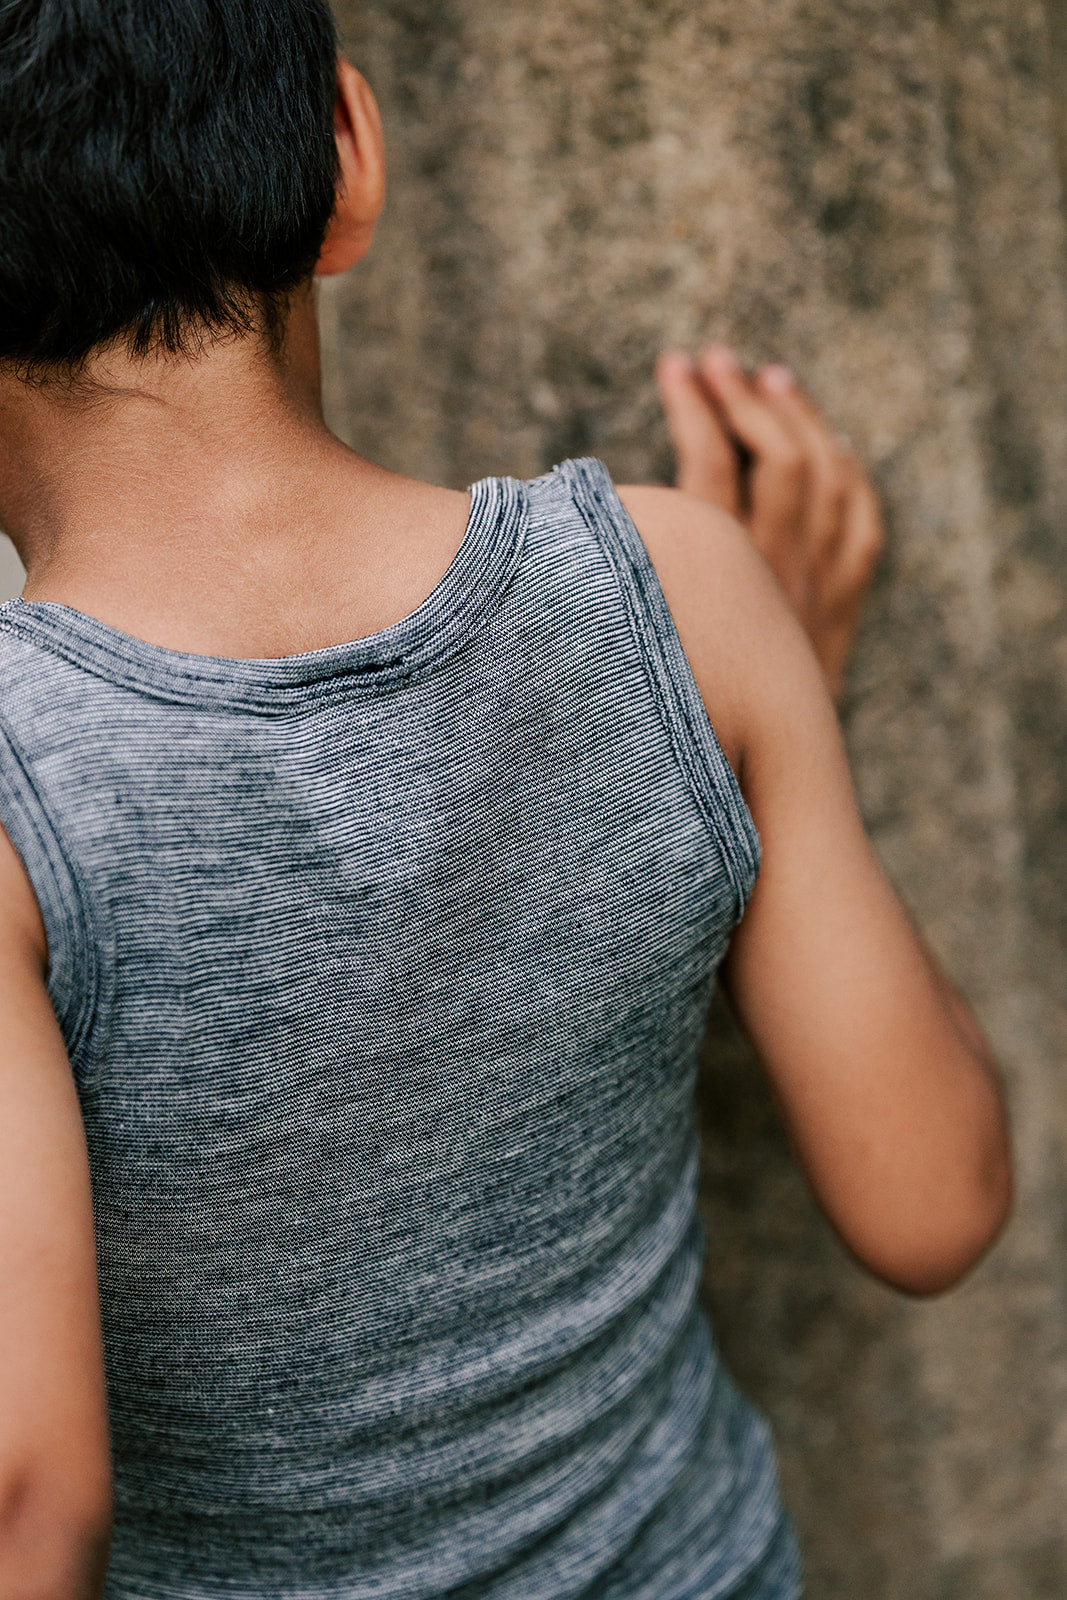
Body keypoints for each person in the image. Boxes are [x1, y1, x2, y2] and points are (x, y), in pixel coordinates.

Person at [0, 4, 1011, 1599]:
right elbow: (935, 1197)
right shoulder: (684, 600)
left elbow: (24, 1498)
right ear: (350, 156)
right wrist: (766, 725)